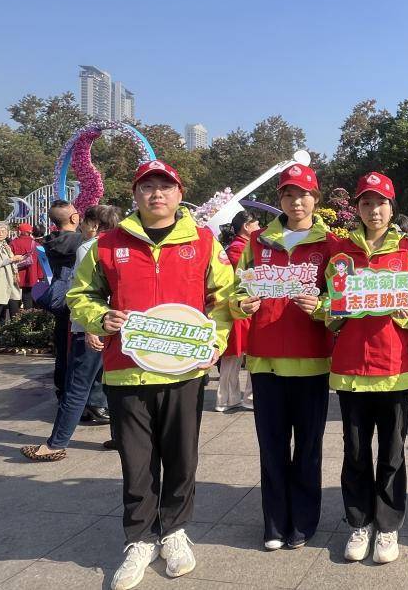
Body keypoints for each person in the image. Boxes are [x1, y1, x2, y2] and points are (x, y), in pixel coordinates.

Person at [66, 160, 234, 590]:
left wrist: (214, 342)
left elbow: (224, 297)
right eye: (147, 187)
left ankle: (175, 531)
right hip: (128, 373)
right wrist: (100, 317)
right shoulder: (108, 244)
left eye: (165, 186)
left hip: (184, 371)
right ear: (135, 194)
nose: (156, 194)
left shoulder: (203, 241)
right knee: (136, 462)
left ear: (179, 195)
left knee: (182, 457)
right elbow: (80, 294)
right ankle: (139, 539)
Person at [233, 164, 334, 550]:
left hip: (311, 361)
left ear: (315, 198)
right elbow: (234, 290)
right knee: (272, 448)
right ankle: (274, 524)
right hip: (267, 360)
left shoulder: (331, 245)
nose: (297, 202)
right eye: (289, 194)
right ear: (280, 199)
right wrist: (242, 304)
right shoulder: (258, 242)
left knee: (308, 448)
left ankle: (303, 523)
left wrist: (322, 306)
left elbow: (342, 298)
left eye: (304, 194)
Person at [324, 172, 408, 564]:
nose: (373, 210)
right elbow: (329, 305)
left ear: (392, 207)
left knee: (393, 453)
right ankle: (359, 523)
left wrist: (406, 311)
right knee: (355, 452)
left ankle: (388, 526)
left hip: (395, 367)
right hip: (351, 368)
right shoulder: (341, 253)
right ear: (357, 208)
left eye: (380, 202)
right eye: (366, 202)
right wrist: (335, 310)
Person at [21, 205, 121, 461]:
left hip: (92, 327)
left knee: (77, 387)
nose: (81, 226)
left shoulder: (89, 248)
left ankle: (55, 444)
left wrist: (90, 326)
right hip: (118, 326)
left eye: (85, 221)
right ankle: (121, 437)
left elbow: (86, 292)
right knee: (114, 385)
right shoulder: (121, 248)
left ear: (94, 224)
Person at [217, 210, 259, 411]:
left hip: (244, 308)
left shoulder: (241, 247)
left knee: (241, 355)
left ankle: (234, 398)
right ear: (246, 226)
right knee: (235, 356)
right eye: (256, 224)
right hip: (239, 309)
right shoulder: (239, 249)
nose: (259, 228)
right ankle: (229, 398)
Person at [43, 199, 83, 399]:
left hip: (59, 296)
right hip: (75, 298)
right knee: (75, 347)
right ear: (74, 217)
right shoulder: (80, 242)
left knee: (62, 345)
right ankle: (74, 391)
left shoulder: (50, 240)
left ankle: (62, 387)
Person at [0, 221, 23, 328]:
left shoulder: (5, 245)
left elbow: (9, 261)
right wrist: (12, 259)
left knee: (14, 303)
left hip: (9, 280)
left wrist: (16, 263)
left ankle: (13, 330)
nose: (1, 233)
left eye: (4, 231)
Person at [9, 222, 42, 310]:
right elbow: (40, 261)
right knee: (28, 296)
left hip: (17, 273)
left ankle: (14, 315)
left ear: (20, 231)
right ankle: (28, 314)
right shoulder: (36, 244)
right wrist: (40, 276)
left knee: (14, 296)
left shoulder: (13, 243)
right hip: (32, 273)